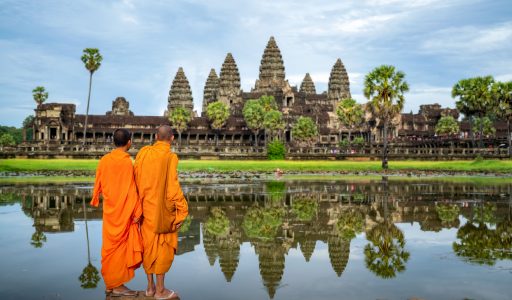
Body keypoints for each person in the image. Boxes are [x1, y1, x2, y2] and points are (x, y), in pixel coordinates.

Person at [134, 125, 188, 300]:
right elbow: (173, 187)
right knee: (162, 247)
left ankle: (149, 288)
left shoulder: (143, 153)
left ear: (156, 136)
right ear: (172, 138)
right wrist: (182, 210)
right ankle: (161, 290)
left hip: (144, 208)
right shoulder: (170, 157)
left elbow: (136, 178)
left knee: (148, 246)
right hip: (162, 211)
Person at [90, 128, 142, 297]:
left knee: (109, 247)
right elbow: (131, 189)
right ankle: (117, 285)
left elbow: (98, 183)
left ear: (113, 141)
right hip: (124, 211)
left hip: (110, 210)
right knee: (119, 248)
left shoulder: (104, 160)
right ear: (129, 142)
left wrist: (96, 198)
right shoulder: (128, 162)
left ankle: (110, 284)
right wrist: (137, 210)